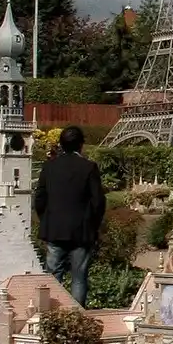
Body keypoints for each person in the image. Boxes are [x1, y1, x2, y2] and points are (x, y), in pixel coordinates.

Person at [32, 126, 106, 304]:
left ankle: (52, 315)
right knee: (79, 277)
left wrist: (47, 220)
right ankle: (76, 317)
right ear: (81, 145)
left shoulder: (50, 167)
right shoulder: (89, 167)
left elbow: (40, 199)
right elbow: (98, 202)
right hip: (81, 231)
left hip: (55, 229)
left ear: (60, 145)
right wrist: (93, 226)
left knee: (53, 276)